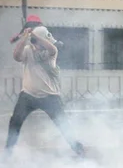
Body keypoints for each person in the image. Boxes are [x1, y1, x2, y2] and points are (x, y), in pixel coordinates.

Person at [6, 19, 85, 157]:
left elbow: (51, 48)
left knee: (63, 124)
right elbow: (16, 56)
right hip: (28, 95)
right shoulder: (28, 50)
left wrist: (35, 36)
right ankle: (8, 152)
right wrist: (25, 38)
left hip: (50, 96)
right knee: (15, 122)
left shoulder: (51, 52)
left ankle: (78, 149)